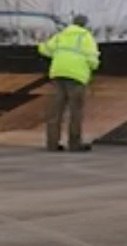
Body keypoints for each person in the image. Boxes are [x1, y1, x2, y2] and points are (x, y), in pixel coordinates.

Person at [38, 14, 101, 153]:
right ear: (85, 24)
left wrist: (41, 42)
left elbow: (46, 50)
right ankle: (74, 144)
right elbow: (92, 59)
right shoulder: (86, 37)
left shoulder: (61, 35)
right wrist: (93, 67)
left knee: (56, 111)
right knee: (75, 111)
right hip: (76, 77)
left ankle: (52, 144)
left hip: (58, 74)